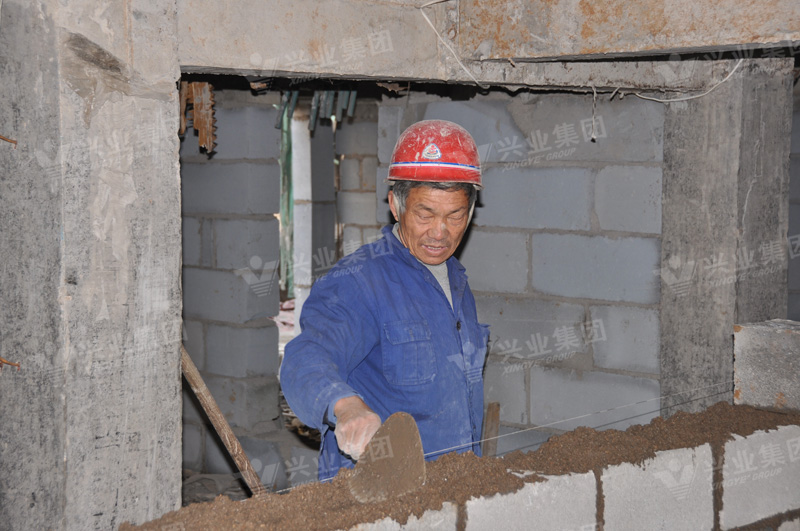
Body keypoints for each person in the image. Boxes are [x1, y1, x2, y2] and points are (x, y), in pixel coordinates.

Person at [280, 120, 490, 481]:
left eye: (455, 216)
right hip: (377, 491)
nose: (440, 232)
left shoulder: (456, 282)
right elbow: (307, 356)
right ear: (395, 204)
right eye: (425, 214)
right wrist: (345, 405)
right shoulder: (358, 281)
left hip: (449, 488)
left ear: (470, 212)